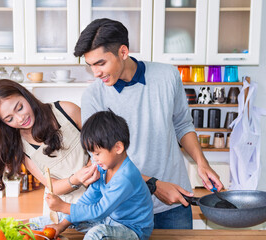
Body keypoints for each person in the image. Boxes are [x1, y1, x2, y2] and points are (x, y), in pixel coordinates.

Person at [75, 18, 224, 229]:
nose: (96, 73)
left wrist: (201, 162)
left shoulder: (168, 76)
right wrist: (153, 185)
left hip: (174, 202)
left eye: (101, 63)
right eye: (91, 66)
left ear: (123, 52)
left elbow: (182, 125)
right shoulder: (94, 96)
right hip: (124, 208)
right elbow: (100, 160)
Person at [0, 79, 99, 226]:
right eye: (9, 119)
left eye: (20, 108)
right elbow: (53, 186)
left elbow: (101, 144)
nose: (20, 118)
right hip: (63, 210)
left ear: (26, 95)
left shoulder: (66, 110)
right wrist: (76, 179)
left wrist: (91, 166)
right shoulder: (21, 148)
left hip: (99, 199)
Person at [46, 110, 154, 240]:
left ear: (118, 147)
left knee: (97, 233)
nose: (94, 159)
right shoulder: (103, 169)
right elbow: (88, 200)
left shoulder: (125, 177)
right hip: (110, 220)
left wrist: (63, 206)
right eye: (91, 154)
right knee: (67, 216)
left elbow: (98, 212)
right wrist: (62, 225)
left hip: (133, 230)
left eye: (97, 154)